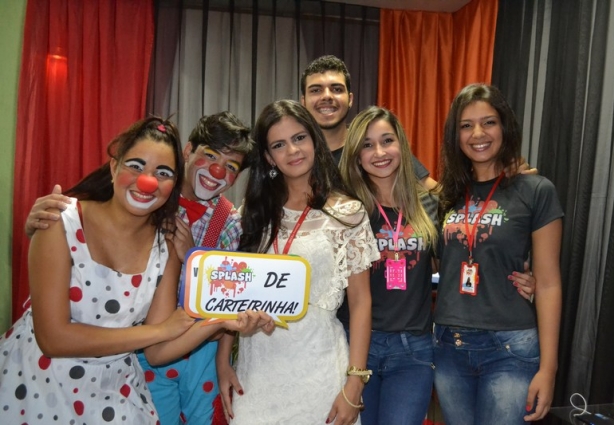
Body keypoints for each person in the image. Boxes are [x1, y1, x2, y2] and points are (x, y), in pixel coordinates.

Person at [0, 117, 271, 423]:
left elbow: (161, 346)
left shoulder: (169, 241)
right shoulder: (61, 221)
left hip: (120, 386)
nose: (147, 181)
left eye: (162, 173)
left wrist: (227, 320)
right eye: (136, 166)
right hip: (38, 385)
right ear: (114, 166)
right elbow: (54, 338)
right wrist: (158, 331)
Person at [337, 106, 537, 425]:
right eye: (367, 144)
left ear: (402, 145)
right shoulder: (345, 209)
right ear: (355, 155)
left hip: (413, 349)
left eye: (387, 140)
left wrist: (526, 275)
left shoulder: (431, 203)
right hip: (355, 344)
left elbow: (470, 248)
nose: (379, 152)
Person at [215, 99, 380, 425]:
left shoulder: (348, 213)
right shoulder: (253, 211)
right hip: (258, 368)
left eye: (299, 138)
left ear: (314, 141)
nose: (292, 150)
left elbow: (361, 302)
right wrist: (223, 359)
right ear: (268, 156)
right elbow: (235, 291)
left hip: (319, 368)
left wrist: (354, 383)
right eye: (279, 144)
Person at [434, 83, 563, 424]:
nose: (478, 133)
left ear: (505, 127)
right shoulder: (446, 195)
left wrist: (548, 369)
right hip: (448, 345)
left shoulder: (536, 190)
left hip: (510, 347)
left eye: (489, 122)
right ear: (455, 135)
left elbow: (549, 283)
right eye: (466, 125)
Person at [299, 55, 439, 190]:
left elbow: (434, 191)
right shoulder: (294, 154)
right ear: (303, 101)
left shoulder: (376, 146)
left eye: (337, 89)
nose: (327, 96)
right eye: (316, 90)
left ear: (350, 99)